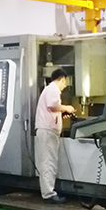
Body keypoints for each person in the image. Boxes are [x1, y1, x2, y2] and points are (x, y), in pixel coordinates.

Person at [34, 68, 75, 203]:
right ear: (62, 79)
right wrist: (66, 107)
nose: (65, 86)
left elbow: (51, 108)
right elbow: (53, 105)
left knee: (49, 161)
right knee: (48, 162)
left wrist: (60, 114)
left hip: (48, 131)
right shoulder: (53, 89)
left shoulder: (50, 89)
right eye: (65, 82)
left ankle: (49, 191)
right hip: (47, 131)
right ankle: (48, 194)